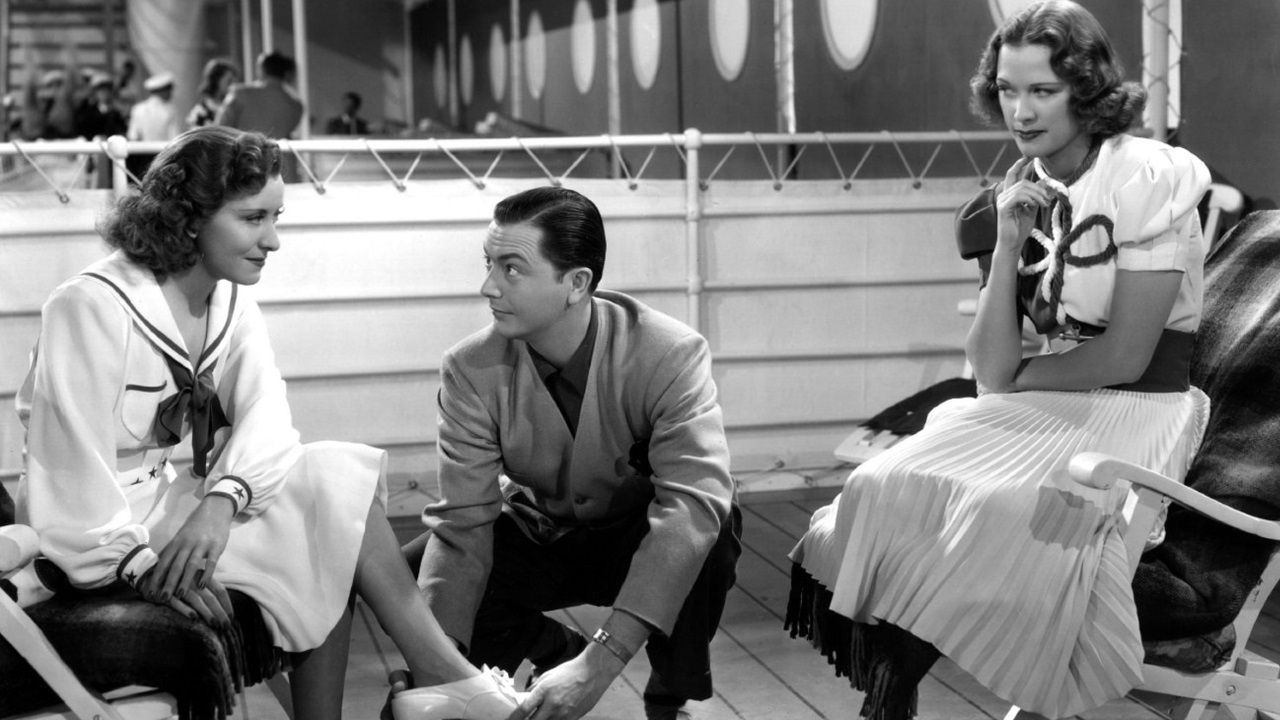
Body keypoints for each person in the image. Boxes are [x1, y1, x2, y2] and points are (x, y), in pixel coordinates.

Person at [785, 2, 1211, 719]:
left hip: (1134, 410)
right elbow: (989, 366)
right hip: (1041, 402)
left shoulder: (1147, 177)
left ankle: (892, 690)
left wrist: (1019, 378)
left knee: (997, 506)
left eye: (1043, 90)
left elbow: (1127, 356)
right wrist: (1009, 243)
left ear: (1086, 90)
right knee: (884, 480)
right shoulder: (1016, 187)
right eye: (1008, 90)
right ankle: (892, 685)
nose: (1022, 110)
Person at [13, 126, 525, 720]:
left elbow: (270, 420)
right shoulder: (90, 305)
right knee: (330, 522)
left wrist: (221, 503)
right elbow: (69, 465)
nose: (273, 240)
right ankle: (451, 682)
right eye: (253, 218)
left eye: (275, 217)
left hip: (167, 512)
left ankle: (443, 677)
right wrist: (137, 564)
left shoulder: (228, 299)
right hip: (89, 541)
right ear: (187, 218)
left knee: (333, 481)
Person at [405, 186, 741, 720]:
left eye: (512, 269)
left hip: (635, 536)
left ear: (577, 283)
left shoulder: (669, 352)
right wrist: (438, 665)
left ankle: (668, 692)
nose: (488, 286)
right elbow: (464, 524)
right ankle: (550, 651)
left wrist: (600, 663)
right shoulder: (469, 368)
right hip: (546, 533)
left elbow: (690, 506)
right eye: (488, 263)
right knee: (416, 575)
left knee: (712, 530)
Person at [215, 51, 304, 140]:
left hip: (242, 147)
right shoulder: (296, 105)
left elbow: (219, 130)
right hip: (274, 148)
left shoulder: (240, 94)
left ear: (262, 70)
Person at [126, 72, 182, 180]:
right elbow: (175, 139)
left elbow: (133, 136)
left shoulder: (138, 109)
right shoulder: (170, 111)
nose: (171, 94)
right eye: (169, 90)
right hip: (163, 159)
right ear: (162, 90)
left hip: (141, 159)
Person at [187, 58, 240, 130]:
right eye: (229, 81)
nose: (232, 86)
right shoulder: (200, 113)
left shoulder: (235, 108)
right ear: (216, 80)